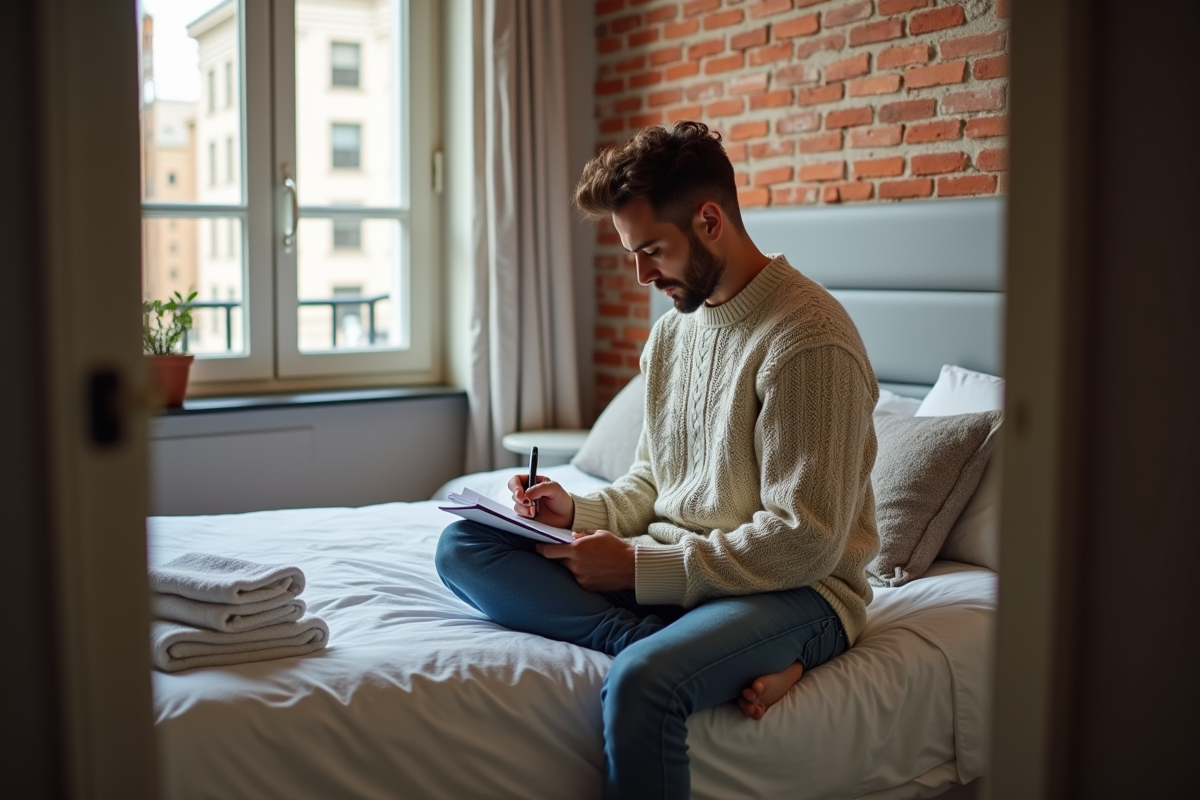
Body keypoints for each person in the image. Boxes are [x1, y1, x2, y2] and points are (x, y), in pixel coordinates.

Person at [435, 120, 880, 800]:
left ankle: (669, 647)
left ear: (710, 221)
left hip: (799, 591)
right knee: (465, 544)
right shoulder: (673, 333)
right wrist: (574, 510)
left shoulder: (808, 340)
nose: (643, 275)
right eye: (632, 254)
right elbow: (651, 482)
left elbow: (806, 539)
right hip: (683, 569)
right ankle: (649, 636)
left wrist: (641, 568)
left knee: (642, 684)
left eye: (651, 251)